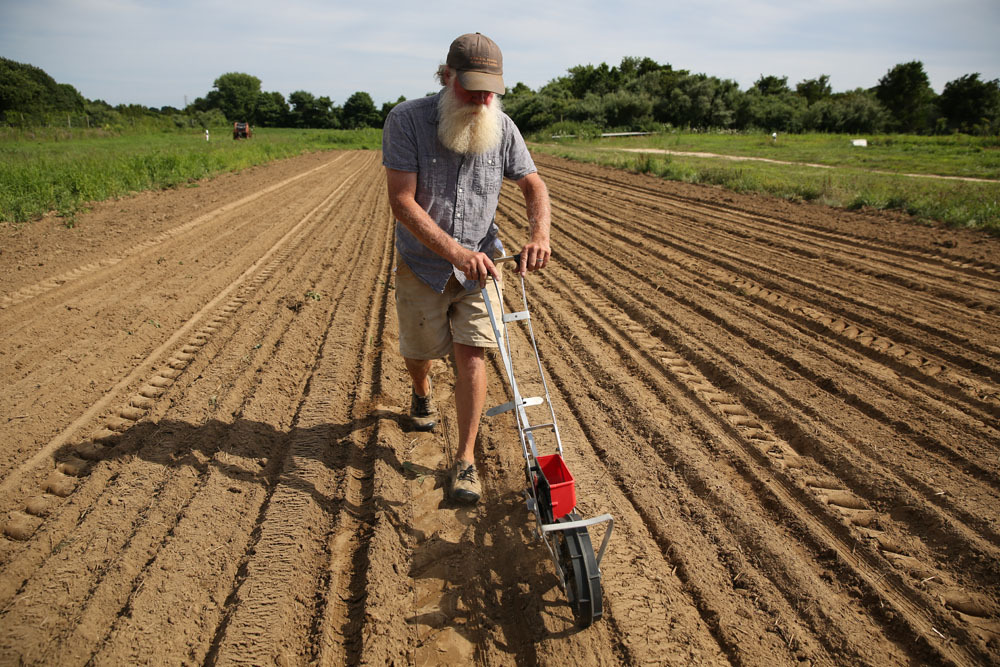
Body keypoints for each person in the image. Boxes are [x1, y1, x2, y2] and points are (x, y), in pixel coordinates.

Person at [382, 32, 551, 505]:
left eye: (489, 90)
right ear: (446, 76)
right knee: (419, 352)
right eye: (471, 88)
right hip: (422, 264)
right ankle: (421, 388)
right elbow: (401, 203)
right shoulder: (407, 120)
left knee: (473, 355)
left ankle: (465, 460)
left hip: (482, 265)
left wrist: (540, 234)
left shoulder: (503, 125)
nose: (481, 98)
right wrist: (454, 253)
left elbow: (533, 183)